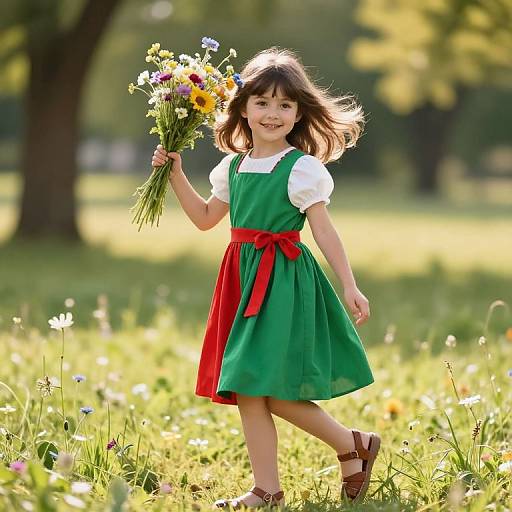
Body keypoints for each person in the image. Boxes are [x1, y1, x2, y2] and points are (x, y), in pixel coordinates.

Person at [151, 46, 380, 509]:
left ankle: (351, 443)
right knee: (247, 388)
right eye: (262, 102)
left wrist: (349, 283)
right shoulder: (231, 166)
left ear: (298, 113)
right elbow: (204, 219)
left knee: (267, 388)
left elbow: (323, 232)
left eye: (285, 105)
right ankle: (270, 487)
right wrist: (175, 174)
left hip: (283, 283)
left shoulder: (302, 168)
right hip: (239, 277)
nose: (272, 113)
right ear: (243, 108)